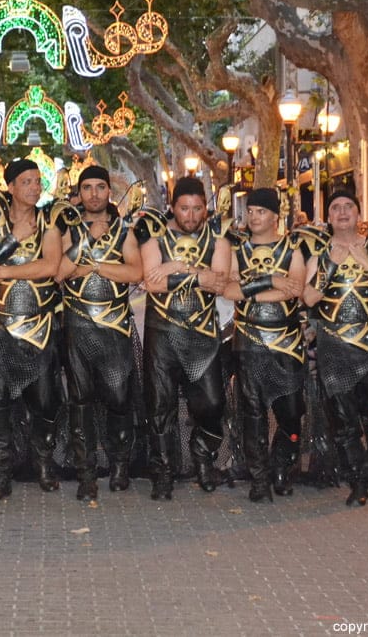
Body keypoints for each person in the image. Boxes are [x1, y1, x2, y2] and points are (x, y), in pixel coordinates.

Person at [302, 190, 368, 506]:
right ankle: (357, 479)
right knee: (342, 420)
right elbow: (309, 298)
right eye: (336, 207)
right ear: (329, 216)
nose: (342, 212)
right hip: (333, 346)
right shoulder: (318, 254)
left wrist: (366, 264)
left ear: (358, 214)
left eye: (348, 207)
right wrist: (331, 264)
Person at [137, 177, 232, 500]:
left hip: (203, 335)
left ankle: (203, 457)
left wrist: (174, 269)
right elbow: (153, 283)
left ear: (206, 208)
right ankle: (162, 471)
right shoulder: (153, 236)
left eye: (197, 208)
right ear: (173, 207)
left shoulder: (219, 239)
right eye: (184, 208)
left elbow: (218, 283)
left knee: (213, 404)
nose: (190, 215)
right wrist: (195, 273)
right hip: (162, 333)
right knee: (160, 407)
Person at [0, 159, 63, 499]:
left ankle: (43, 463)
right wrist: (12, 239)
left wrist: (8, 272)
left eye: (37, 181)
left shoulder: (49, 222)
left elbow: (51, 265)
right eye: (26, 181)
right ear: (10, 186)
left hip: (39, 325)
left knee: (44, 400)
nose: (33, 187)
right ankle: (0, 472)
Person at [57, 166, 142, 501]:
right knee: (80, 401)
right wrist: (87, 241)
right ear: (80, 192)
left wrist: (93, 266)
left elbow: (134, 272)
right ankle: (86, 473)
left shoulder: (125, 229)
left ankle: (120, 466)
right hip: (77, 325)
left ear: (109, 191)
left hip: (115, 325)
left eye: (100, 187)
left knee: (119, 398)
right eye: (87, 187)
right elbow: (59, 272)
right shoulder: (66, 227)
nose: (94, 193)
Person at [222, 188, 307, 502]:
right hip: (249, 342)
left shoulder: (292, 248)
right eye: (251, 211)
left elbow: (295, 289)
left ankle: (282, 467)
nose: (254, 216)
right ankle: (259, 479)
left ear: (275, 215)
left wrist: (250, 290)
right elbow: (229, 290)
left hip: (287, 342)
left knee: (291, 412)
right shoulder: (238, 250)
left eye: (260, 211)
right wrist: (269, 281)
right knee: (253, 414)